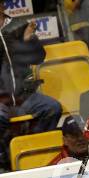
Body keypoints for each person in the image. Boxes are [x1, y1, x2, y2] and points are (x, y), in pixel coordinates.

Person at [0, 1, 62, 169]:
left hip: (23, 95)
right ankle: (4, 158)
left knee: (52, 107)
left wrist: (29, 40)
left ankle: (32, 149)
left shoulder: (13, 31)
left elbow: (38, 58)